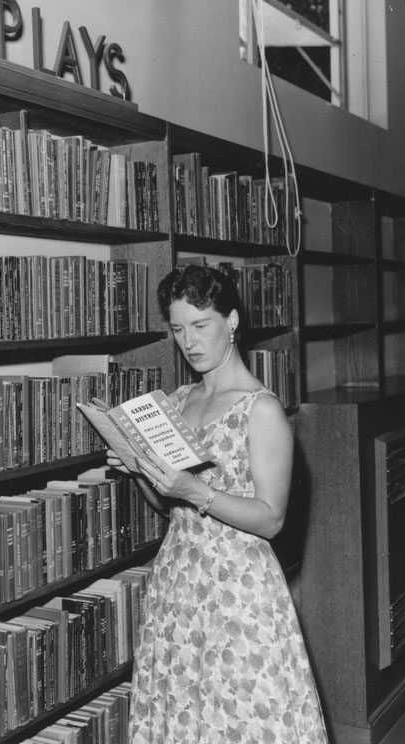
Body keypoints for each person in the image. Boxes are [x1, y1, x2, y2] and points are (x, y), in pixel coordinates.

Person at [107, 264, 328, 744]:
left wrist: (195, 491)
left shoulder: (261, 409)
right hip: (178, 581)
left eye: (200, 325)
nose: (189, 341)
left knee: (241, 717)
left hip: (238, 589)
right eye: (178, 329)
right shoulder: (178, 400)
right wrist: (139, 469)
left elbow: (272, 518)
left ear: (231, 321)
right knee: (184, 715)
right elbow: (168, 505)